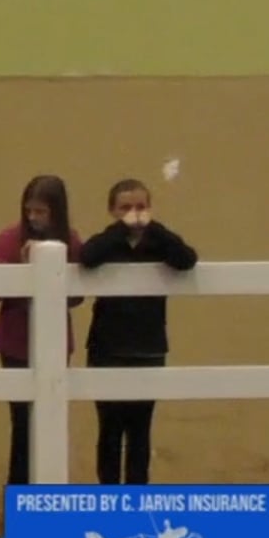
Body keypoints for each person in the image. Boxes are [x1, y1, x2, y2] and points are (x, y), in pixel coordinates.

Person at [79, 179, 197, 486]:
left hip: (148, 348)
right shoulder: (108, 242)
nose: (135, 214)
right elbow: (87, 257)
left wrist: (153, 227)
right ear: (112, 211)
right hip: (107, 349)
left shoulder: (160, 243)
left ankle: (136, 496)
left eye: (141, 206)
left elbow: (187, 259)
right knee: (109, 430)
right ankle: (108, 496)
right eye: (126, 208)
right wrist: (121, 229)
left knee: (140, 431)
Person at [0, 175, 83, 486]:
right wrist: (24, 269)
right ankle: (19, 490)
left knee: (51, 419)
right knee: (21, 422)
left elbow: (79, 295)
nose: (33, 217)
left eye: (41, 211)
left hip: (56, 343)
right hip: (15, 342)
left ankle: (50, 490)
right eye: (29, 210)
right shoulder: (8, 239)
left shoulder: (72, 240)